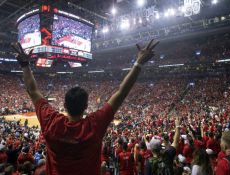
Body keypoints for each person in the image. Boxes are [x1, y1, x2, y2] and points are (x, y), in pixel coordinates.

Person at [11, 39, 159, 175]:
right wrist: (138, 63)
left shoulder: (51, 121)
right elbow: (121, 92)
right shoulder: (94, 125)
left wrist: (25, 65)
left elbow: (33, 91)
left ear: (64, 105)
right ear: (86, 106)